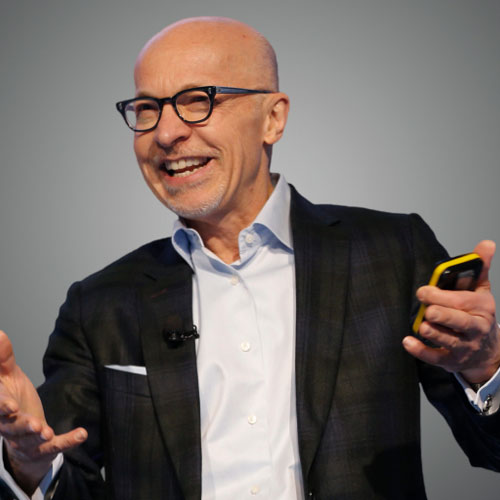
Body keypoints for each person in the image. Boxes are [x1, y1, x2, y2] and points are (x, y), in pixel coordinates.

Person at [0, 16, 499, 500]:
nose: (166, 133)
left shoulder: (391, 253)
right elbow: (63, 470)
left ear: (273, 119)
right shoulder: (99, 305)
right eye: (148, 108)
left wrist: (486, 368)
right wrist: (26, 466)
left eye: (198, 101)